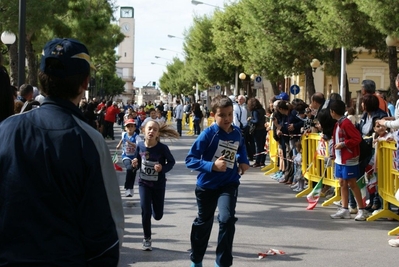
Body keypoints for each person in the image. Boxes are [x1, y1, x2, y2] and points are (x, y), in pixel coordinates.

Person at [0, 38, 124, 265]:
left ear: (41, 78)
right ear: (85, 82)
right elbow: (107, 230)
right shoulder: (89, 140)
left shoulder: (6, 129)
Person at [185, 95, 250, 267]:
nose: (227, 119)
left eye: (230, 114)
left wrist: (244, 160)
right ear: (214, 115)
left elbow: (241, 147)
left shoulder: (236, 132)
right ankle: (196, 259)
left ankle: (222, 263)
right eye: (222, 115)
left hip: (228, 183)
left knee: (227, 219)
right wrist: (212, 165)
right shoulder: (208, 134)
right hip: (207, 186)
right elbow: (190, 160)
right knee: (203, 223)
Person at [131, 120, 178, 251]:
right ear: (143, 130)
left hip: (158, 185)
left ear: (158, 134)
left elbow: (172, 162)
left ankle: (152, 207)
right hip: (144, 183)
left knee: (157, 215)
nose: (151, 131)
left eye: (155, 130)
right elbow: (136, 162)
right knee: (145, 211)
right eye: (149, 128)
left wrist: (162, 168)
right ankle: (147, 238)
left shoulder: (162, 148)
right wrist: (134, 164)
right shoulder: (139, 146)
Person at [329, 100, 368, 221]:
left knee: (352, 183)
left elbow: (357, 138)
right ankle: (345, 209)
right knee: (342, 182)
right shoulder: (339, 123)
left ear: (333, 112)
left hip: (349, 158)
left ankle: (361, 210)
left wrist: (344, 144)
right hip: (340, 158)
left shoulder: (346, 123)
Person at [116, 119, 142, 198]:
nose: (130, 128)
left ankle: (130, 188)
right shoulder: (124, 134)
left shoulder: (137, 137)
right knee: (129, 169)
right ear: (125, 128)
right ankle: (127, 188)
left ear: (134, 128)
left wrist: (130, 143)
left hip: (135, 158)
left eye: (132, 126)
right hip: (126, 156)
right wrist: (119, 145)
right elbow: (122, 139)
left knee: (133, 171)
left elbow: (139, 146)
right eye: (128, 126)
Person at [247, 97, 267, 167]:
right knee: (263, 146)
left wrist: (250, 119)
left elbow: (256, 121)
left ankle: (257, 162)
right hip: (263, 129)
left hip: (258, 130)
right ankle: (262, 161)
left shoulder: (255, 111)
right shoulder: (262, 110)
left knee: (258, 146)